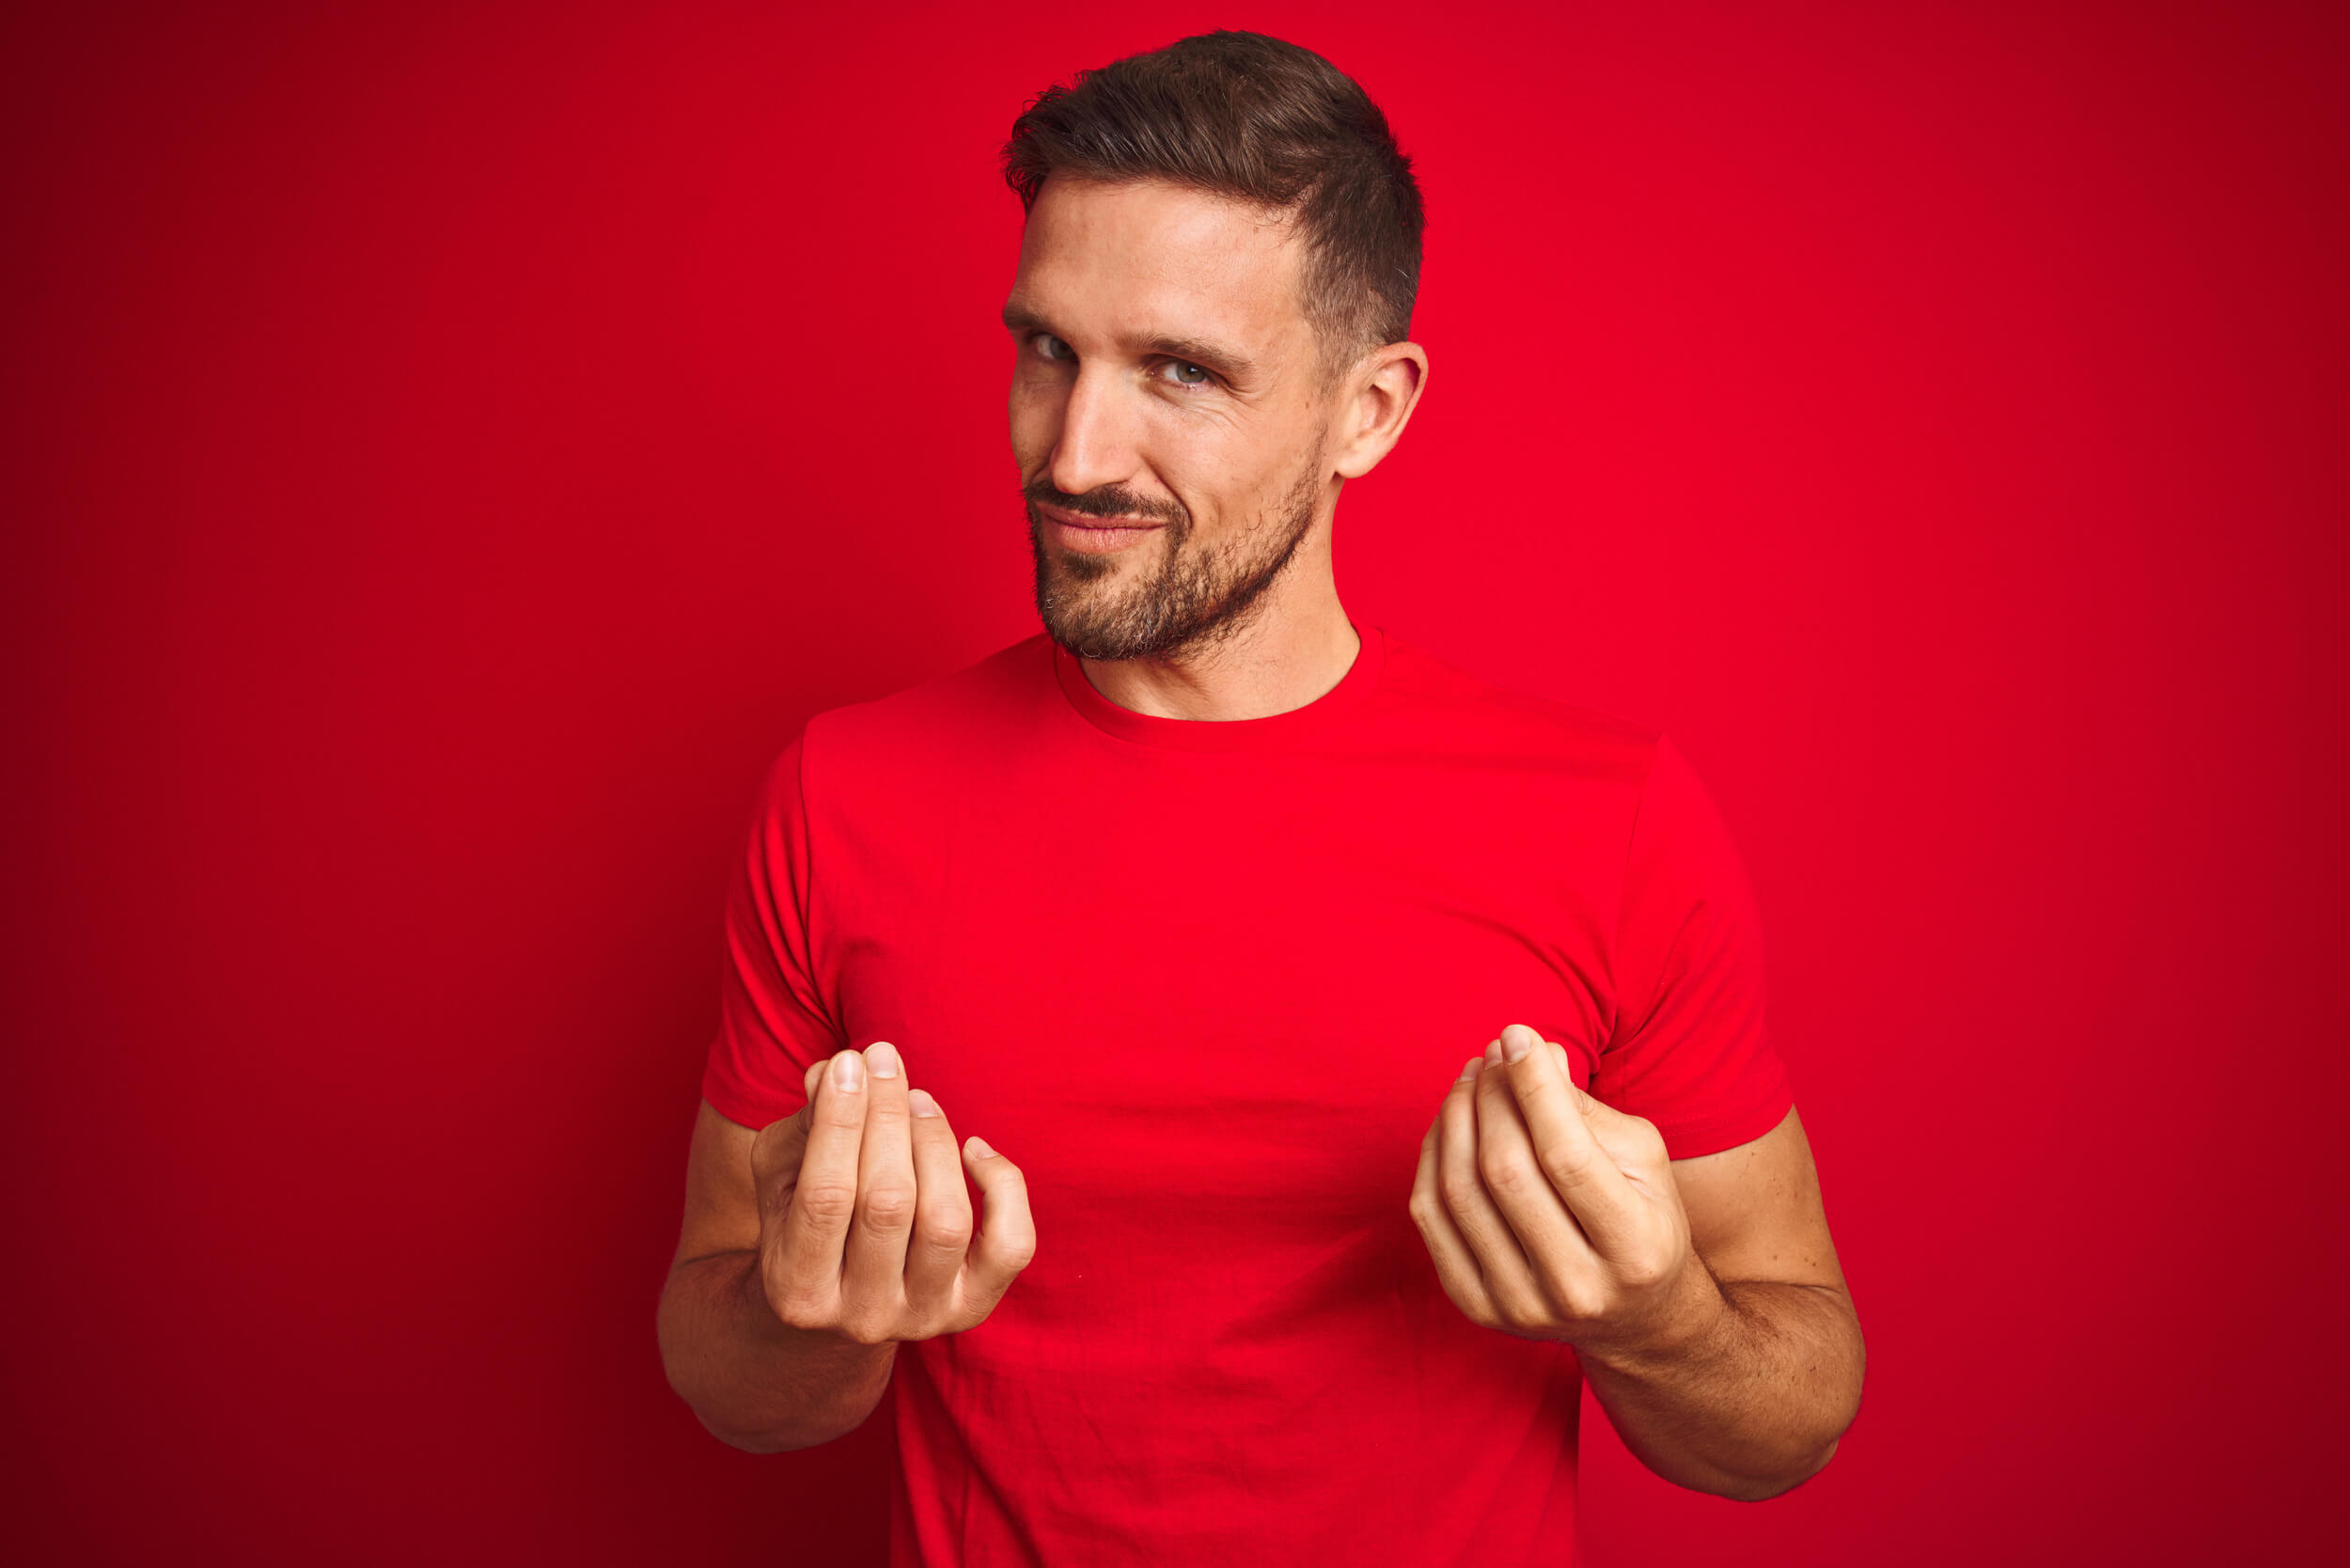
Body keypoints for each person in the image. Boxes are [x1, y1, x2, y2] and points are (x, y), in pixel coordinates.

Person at [656, 29, 1864, 1564]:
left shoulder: (1609, 821)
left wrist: (1656, 1321)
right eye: (1049, 350)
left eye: (1182, 371)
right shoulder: (841, 795)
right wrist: (809, 1314)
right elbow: (728, 1371)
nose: (1077, 451)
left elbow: (1791, 1417)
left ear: (1370, 409)